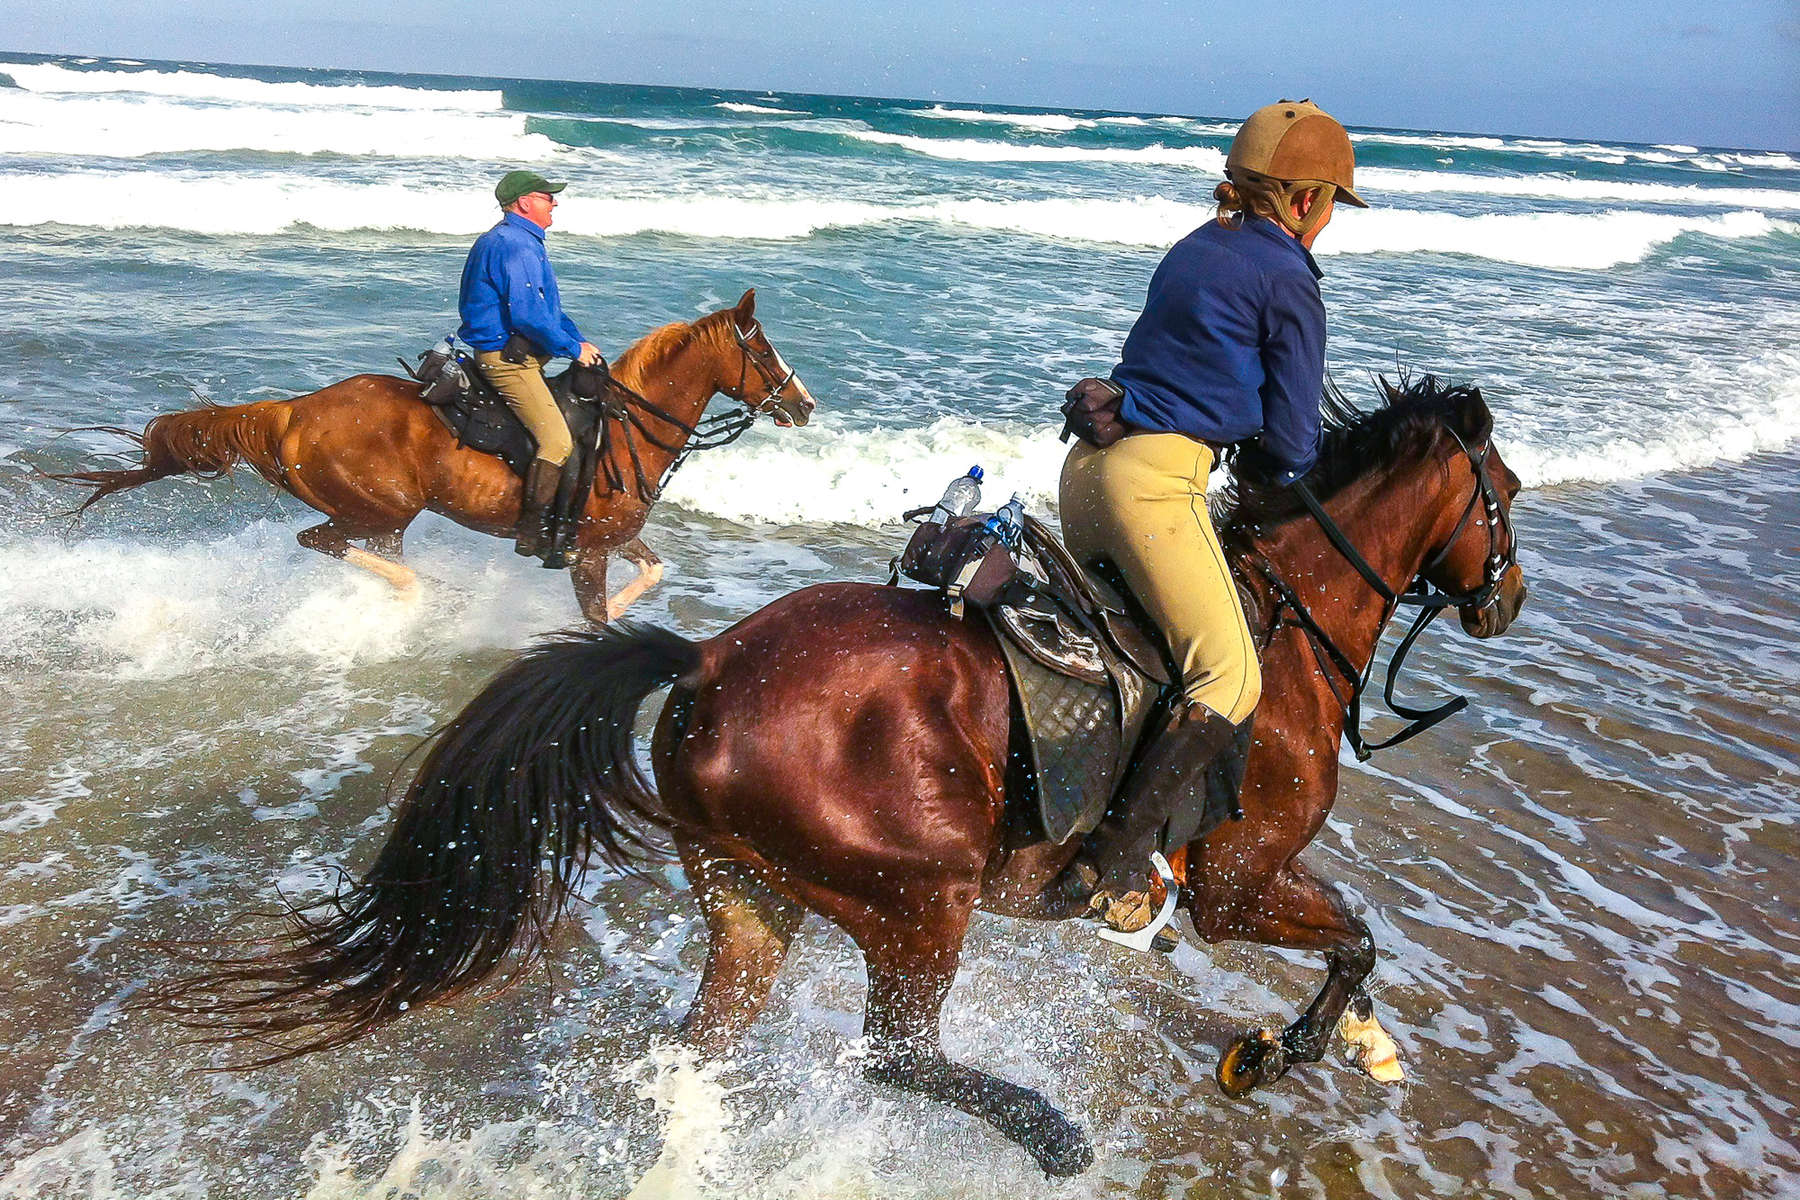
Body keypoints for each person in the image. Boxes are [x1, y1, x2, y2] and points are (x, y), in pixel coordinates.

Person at [1056, 99, 1368, 928]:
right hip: (1153, 488)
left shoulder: (1197, 246)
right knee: (1229, 677)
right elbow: (1294, 441)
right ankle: (1110, 867)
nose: (1329, 221)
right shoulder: (1289, 276)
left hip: (1085, 477)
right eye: (1331, 203)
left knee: (1146, 655)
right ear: (1304, 200)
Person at [458, 169, 604, 562]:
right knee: (557, 440)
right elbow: (527, 317)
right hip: (507, 363)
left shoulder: (520, 240)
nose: (554, 202)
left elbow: (547, 312)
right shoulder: (515, 246)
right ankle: (531, 530)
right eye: (547, 196)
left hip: (527, 355)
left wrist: (578, 340)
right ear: (524, 203)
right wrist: (572, 348)